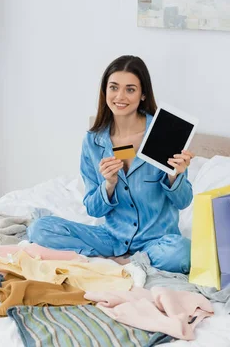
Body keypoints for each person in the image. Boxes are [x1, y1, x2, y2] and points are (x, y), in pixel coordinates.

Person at [27, 55, 194, 274]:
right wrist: (108, 185)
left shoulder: (164, 132)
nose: (120, 96)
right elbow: (93, 209)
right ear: (105, 91)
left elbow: (183, 202)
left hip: (157, 242)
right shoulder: (94, 141)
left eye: (130, 89)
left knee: (183, 252)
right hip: (112, 239)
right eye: (114, 88)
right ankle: (112, 258)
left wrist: (175, 176)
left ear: (143, 94)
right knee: (39, 229)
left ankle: (124, 261)